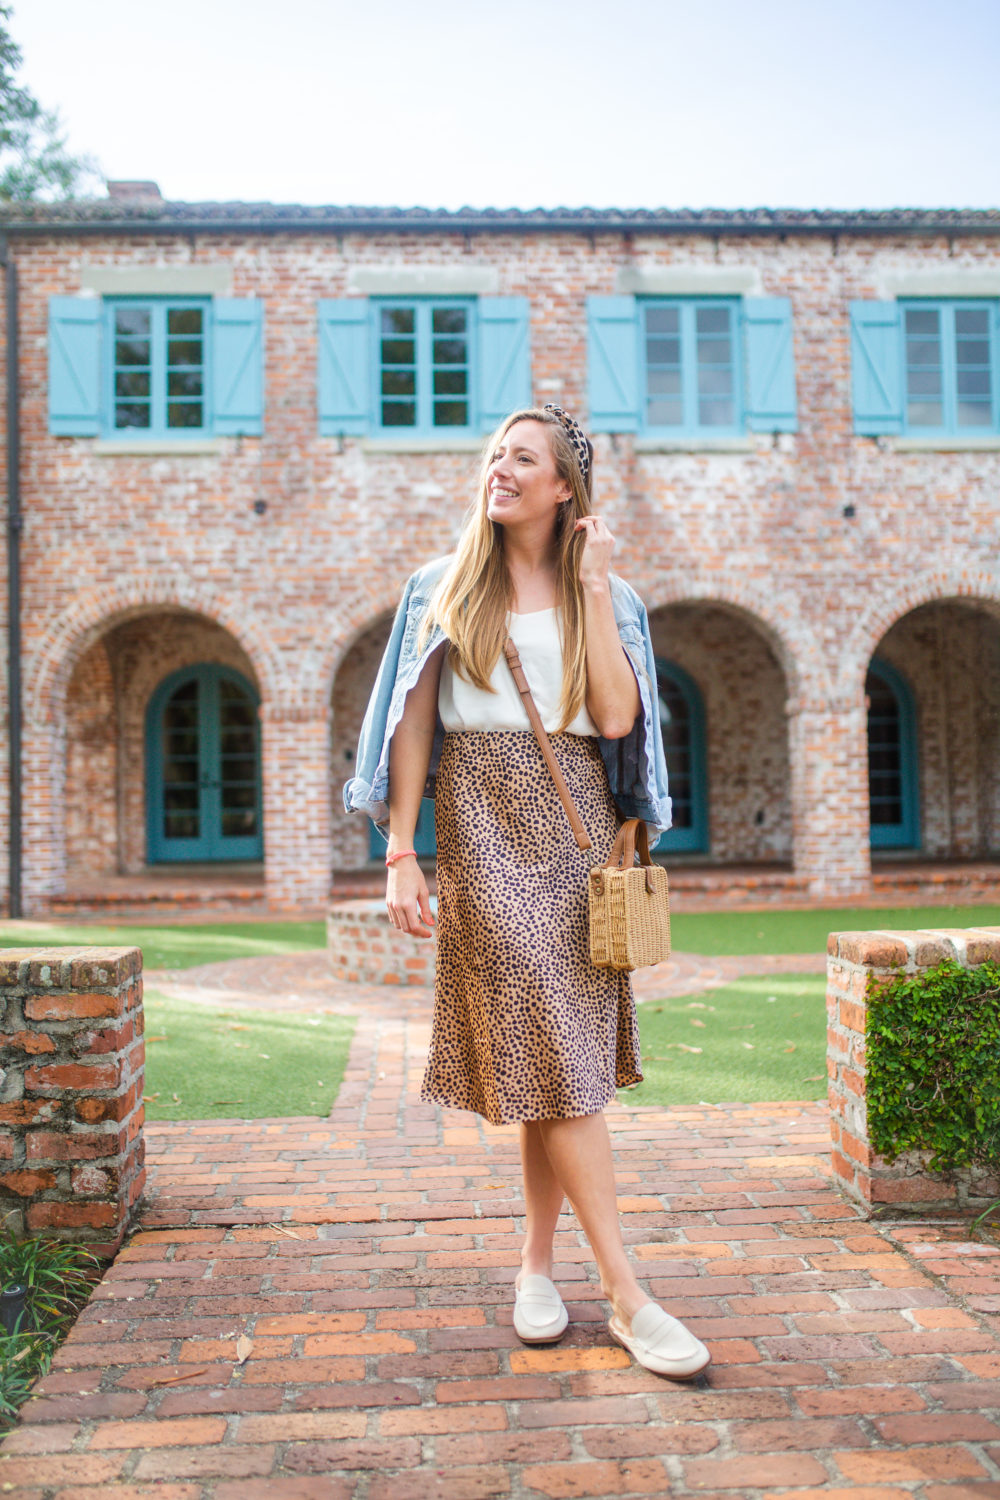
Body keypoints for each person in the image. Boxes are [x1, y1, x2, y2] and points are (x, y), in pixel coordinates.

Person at [344, 404, 710, 1379]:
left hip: (582, 829)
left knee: (552, 1059)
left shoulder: (610, 595)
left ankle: (536, 1268)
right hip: (481, 826)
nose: (499, 468)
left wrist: (591, 584)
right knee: (552, 1046)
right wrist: (399, 851)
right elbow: (411, 722)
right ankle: (628, 1295)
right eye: (493, 454)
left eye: (522, 458)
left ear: (562, 488)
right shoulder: (442, 586)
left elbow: (615, 713)